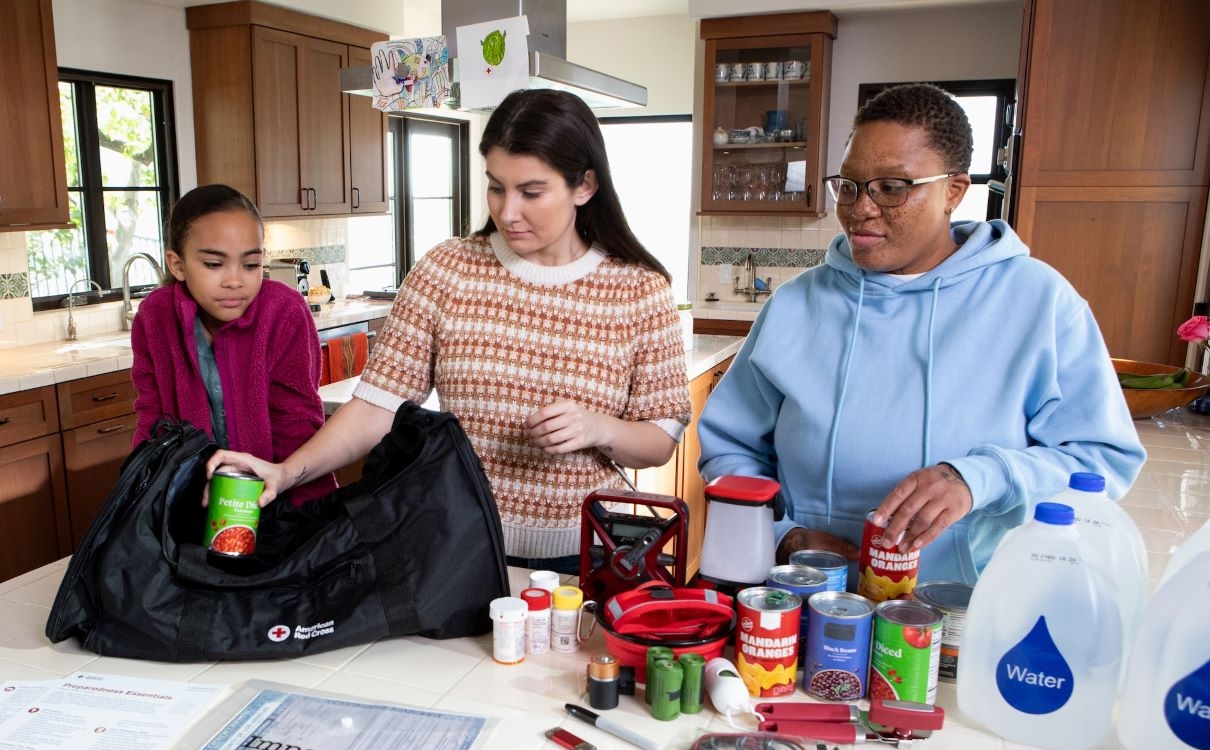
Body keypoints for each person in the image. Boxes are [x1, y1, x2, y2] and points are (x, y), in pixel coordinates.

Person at [205, 89, 692, 573]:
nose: (507, 212)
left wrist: (598, 427)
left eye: (531, 192)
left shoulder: (639, 291)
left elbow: (660, 438)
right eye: (496, 186)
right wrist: (287, 471)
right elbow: (378, 406)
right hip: (455, 546)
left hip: (579, 554)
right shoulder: (448, 268)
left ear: (584, 186)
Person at [696, 83, 1146, 585]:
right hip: (803, 596)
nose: (861, 207)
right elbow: (731, 447)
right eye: (848, 185)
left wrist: (980, 478)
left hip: (968, 603)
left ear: (954, 190)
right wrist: (780, 532)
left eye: (892, 187)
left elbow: (1101, 462)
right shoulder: (796, 304)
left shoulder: (1039, 302)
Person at [131, 184, 336, 505]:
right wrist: (146, 496)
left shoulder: (283, 311)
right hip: (190, 502)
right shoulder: (154, 316)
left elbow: (298, 422)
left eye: (250, 264)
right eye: (214, 264)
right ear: (177, 264)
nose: (235, 280)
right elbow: (152, 420)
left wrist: (302, 510)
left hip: (280, 500)